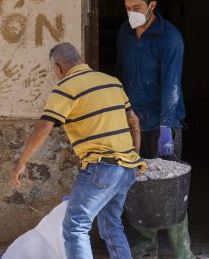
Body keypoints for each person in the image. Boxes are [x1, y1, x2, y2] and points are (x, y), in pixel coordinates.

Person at [12, 42, 145, 259]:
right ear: (80, 60)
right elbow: (134, 120)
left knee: (75, 227)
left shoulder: (66, 87)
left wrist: (22, 161)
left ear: (58, 67)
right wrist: (135, 156)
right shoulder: (112, 82)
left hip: (102, 168)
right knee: (112, 227)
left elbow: (44, 126)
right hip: (127, 168)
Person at [116, 0, 195, 259]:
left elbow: (171, 85)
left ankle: (182, 250)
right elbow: (121, 76)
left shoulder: (169, 37)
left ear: (152, 6)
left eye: (136, 7)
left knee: (171, 187)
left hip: (164, 123)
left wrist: (165, 129)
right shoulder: (125, 33)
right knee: (137, 184)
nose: (131, 12)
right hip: (132, 122)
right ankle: (147, 242)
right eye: (127, 7)